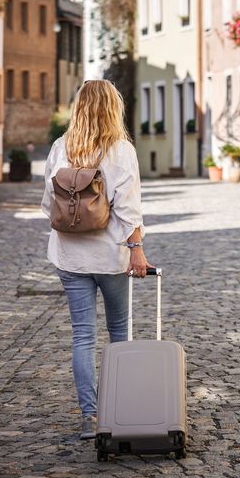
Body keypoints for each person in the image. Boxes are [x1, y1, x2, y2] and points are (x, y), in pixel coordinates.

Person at [40, 79, 150, 439]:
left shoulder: (61, 147)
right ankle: (118, 409)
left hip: (70, 256)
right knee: (120, 331)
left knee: (83, 336)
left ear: (79, 108)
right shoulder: (120, 150)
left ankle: (89, 416)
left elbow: (47, 205)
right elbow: (129, 209)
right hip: (111, 256)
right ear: (112, 109)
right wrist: (136, 251)